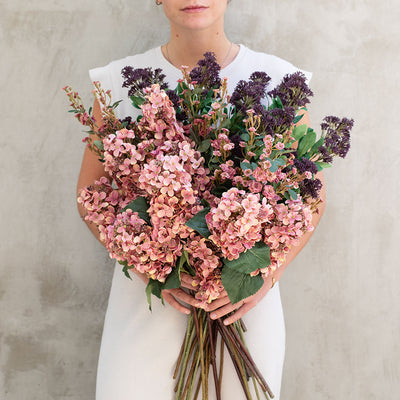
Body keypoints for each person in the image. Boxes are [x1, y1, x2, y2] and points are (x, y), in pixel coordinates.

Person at [77, 1, 326, 399]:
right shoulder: (117, 84)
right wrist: (148, 267)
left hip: (241, 305)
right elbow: (90, 196)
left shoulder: (282, 81)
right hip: (150, 307)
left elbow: (312, 198)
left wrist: (264, 276)